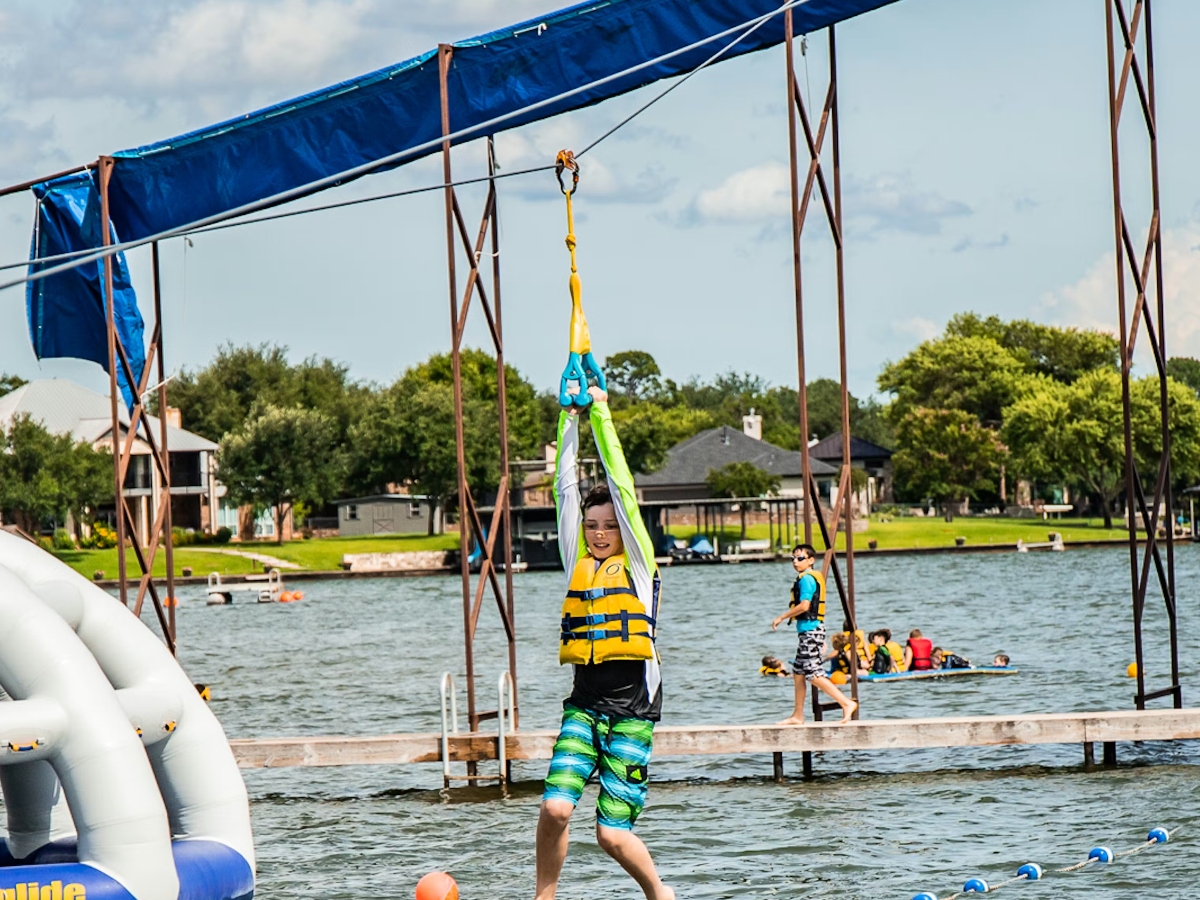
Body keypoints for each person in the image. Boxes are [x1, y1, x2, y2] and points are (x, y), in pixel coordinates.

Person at [536, 386, 673, 900]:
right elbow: (564, 489)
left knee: (611, 835)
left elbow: (622, 487)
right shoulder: (578, 560)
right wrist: (568, 420)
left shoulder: (637, 566)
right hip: (585, 704)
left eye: (609, 527)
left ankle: (660, 895)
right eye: (592, 526)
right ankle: (544, 897)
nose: (598, 534)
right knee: (555, 808)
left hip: (633, 709)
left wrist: (601, 414)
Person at [771, 543, 858, 725]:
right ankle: (798, 715)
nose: (795, 562)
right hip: (809, 633)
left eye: (800, 558)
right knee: (798, 672)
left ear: (811, 560)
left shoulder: (807, 579)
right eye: (793, 558)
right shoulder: (806, 578)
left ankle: (846, 703)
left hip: (811, 632)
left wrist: (782, 617)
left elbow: (805, 606)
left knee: (813, 673)